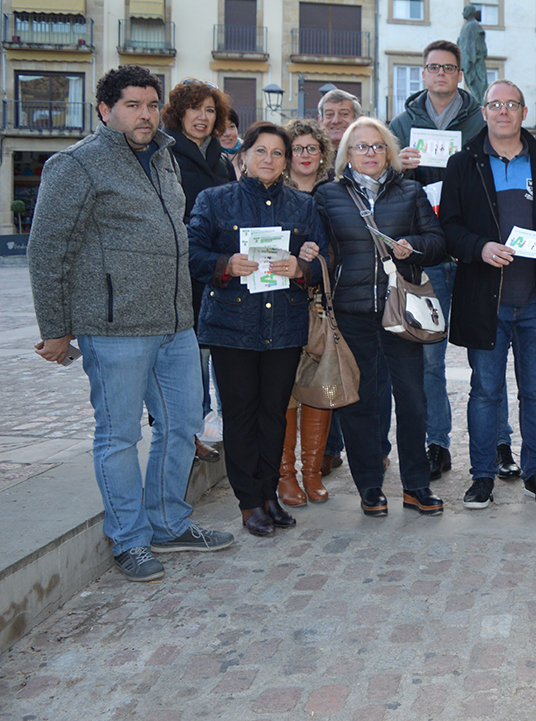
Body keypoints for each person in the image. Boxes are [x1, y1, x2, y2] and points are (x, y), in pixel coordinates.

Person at [30, 65, 236, 582]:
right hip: (114, 326)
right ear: (105, 110)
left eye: (150, 104)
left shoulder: (165, 157)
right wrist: (56, 328)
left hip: (175, 323)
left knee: (183, 425)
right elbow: (47, 250)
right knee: (119, 436)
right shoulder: (76, 165)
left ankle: (168, 521)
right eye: (132, 105)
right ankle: (129, 539)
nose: (144, 114)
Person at [440, 80, 536, 508]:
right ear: (484, 112)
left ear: (523, 111)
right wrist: (479, 248)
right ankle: (482, 476)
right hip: (486, 300)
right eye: (495, 104)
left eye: (511, 104)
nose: (503, 111)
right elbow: (448, 230)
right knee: (485, 392)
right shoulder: (463, 165)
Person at [188, 122, 326, 537]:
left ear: (286, 162)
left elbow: (325, 263)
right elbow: (191, 252)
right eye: (260, 151)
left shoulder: (303, 206)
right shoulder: (214, 200)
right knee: (241, 413)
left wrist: (301, 267)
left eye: (277, 153)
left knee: (274, 414)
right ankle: (249, 502)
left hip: (284, 325)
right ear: (243, 156)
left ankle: (269, 494)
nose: (269, 159)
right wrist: (224, 264)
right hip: (232, 326)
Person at [314, 118, 449, 517]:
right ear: (347, 154)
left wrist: (415, 246)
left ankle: (416, 485)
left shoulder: (410, 192)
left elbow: (438, 243)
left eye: (377, 146)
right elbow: (323, 250)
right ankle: (370, 486)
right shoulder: (328, 195)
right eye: (361, 146)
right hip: (352, 312)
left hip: (401, 312)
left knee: (412, 400)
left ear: (388, 152)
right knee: (361, 404)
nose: (369, 153)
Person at [391, 40, 490, 483]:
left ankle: (499, 441)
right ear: (423, 73)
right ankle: (438, 443)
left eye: (448, 68)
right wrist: (400, 165)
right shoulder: (402, 121)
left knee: (486, 354)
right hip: (426, 255)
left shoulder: (480, 120)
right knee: (430, 358)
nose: (440, 75)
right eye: (432, 68)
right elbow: (383, 179)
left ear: (458, 74)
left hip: (471, 253)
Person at [159, 79, 234, 464]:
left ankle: (201, 427)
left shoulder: (222, 160)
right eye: (194, 109)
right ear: (178, 113)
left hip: (217, 271)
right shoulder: (163, 155)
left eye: (209, 110)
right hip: (177, 273)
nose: (202, 117)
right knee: (182, 359)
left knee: (208, 350)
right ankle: (183, 432)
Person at [275, 119, 336, 509]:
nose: (305, 155)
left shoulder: (333, 194)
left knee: (318, 387)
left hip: (320, 305)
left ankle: (313, 473)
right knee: (283, 393)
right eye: (297, 148)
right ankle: (286, 476)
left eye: (312, 148)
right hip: (279, 304)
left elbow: (340, 247)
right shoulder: (272, 193)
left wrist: (319, 260)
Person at [315, 87, 364, 477]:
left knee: (355, 366)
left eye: (343, 114)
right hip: (315, 280)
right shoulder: (308, 157)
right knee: (323, 364)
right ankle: (326, 448)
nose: (335, 120)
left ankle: (360, 446)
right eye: (329, 114)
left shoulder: (363, 158)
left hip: (354, 282)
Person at [218, 107, 244, 180]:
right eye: (221, 128)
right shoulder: (207, 158)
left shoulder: (250, 155)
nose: (227, 133)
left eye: (231, 127)